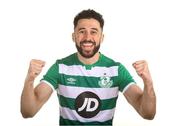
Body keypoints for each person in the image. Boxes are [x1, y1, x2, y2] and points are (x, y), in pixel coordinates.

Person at [21, 9, 156, 125]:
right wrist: (29, 80)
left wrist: (148, 82)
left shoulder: (115, 70)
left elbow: (148, 114)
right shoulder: (60, 67)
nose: (87, 37)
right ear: (74, 36)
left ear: (101, 37)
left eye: (93, 32)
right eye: (81, 31)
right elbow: (28, 111)